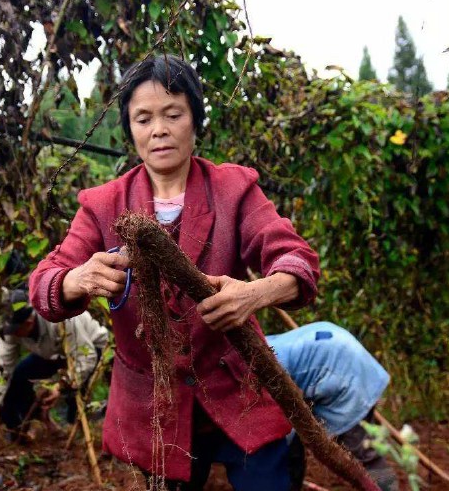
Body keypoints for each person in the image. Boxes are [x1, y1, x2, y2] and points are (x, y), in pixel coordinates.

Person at [29, 54, 320, 491]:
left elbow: (296, 259)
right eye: (143, 118)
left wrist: (255, 294)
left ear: (195, 120)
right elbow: (44, 283)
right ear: (130, 129)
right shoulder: (105, 204)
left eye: (173, 114)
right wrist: (77, 278)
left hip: (238, 389)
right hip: (153, 408)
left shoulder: (233, 189)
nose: (159, 129)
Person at [267, 322, 397, 491]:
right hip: (339, 354)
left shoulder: (258, 366)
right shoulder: (259, 346)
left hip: (342, 373)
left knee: (363, 452)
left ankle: (387, 489)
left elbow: (283, 429)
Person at [0, 289, 109, 435]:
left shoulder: (60, 317)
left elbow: (85, 358)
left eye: (16, 330)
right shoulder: (10, 330)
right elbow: (4, 369)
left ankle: (75, 429)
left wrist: (60, 387)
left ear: (29, 322)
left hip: (89, 349)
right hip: (51, 354)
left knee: (74, 395)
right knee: (21, 374)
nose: (13, 334)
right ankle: (18, 427)